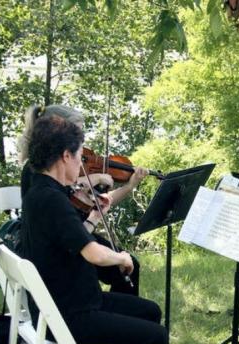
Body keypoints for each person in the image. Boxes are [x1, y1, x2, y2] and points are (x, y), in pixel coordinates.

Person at [19, 115, 168, 344]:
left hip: (67, 301)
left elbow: (69, 240)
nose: (82, 165)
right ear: (65, 155)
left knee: (151, 312)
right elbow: (93, 254)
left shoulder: (41, 189)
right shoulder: (52, 199)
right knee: (157, 336)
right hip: (70, 315)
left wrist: (93, 218)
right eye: (78, 156)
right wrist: (122, 258)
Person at [17, 104, 148, 295]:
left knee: (129, 266)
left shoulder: (71, 169)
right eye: (74, 134)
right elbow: (55, 195)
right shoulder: (36, 171)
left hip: (79, 233)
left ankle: (119, 313)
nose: (80, 145)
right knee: (120, 267)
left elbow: (102, 202)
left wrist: (129, 185)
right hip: (60, 246)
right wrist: (93, 179)